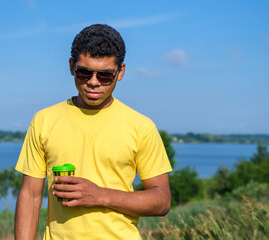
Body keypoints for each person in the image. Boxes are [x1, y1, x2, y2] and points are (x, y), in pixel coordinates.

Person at [14, 24, 172, 240]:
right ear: (71, 66)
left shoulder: (141, 126)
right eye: (84, 72)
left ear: (121, 72)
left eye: (105, 75)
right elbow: (30, 196)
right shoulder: (43, 120)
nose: (93, 83)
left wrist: (99, 195)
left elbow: (161, 201)